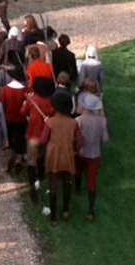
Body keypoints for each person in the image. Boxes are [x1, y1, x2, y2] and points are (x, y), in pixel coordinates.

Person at [40, 92, 84, 226]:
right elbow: (81, 142)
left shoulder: (50, 122)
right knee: (68, 183)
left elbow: (43, 140)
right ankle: (65, 211)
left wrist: (46, 123)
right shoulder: (73, 123)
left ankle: (53, 217)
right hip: (68, 156)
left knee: (53, 186)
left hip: (54, 156)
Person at [75, 92, 109, 222]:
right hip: (95, 154)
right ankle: (90, 211)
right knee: (92, 181)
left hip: (81, 152)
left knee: (78, 171)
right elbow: (105, 139)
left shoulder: (79, 120)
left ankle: (77, 189)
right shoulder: (102, 121)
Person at [21, 77, 56, 204]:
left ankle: (32, 185)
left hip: (33, 134)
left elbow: (23, 112)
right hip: (46, 135)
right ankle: (41, 177)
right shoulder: (51, 101)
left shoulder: (33, 99)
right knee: (41, 156)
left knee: (31, 159)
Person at [0, 66, 28, 175]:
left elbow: (1, 104)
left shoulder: (5, 89)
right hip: (21, 119)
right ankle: (19, 159)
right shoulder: (25, 90)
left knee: (10, 140)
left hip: (9, 118)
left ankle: (10, 162)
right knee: (20, 139)